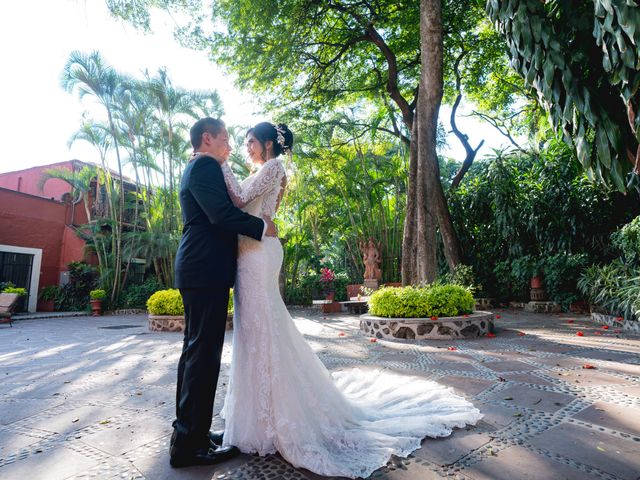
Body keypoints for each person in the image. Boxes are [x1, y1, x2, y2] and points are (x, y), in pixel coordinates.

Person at [218, 122, 483, 478]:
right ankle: (259, 418)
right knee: (256, 329)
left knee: (263, 326)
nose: (245, 147)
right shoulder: (266, 170)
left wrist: (219, 161)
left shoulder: (272, 167)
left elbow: (237, 198)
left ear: (268, 144)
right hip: (252, 252)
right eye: (243, 142)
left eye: (250, 141)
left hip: (258, 254)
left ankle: (278, 417)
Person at [170, 117, 278, 468]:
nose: (229, 146)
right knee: (202, 356)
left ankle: (192, 433)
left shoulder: (202, 166)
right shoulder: (204, 166)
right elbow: (220, 214)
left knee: (196, 354)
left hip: (202, 269)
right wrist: (262, 227)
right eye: (225, 139)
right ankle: (189, 445)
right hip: (204, 269)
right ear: (207, 138)